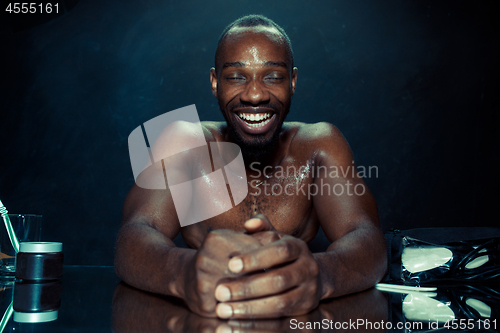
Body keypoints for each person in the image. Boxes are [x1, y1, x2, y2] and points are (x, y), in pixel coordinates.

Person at [114, 14, 387, 319]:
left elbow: (367, 239)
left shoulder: (319, 145)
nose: (255, 95)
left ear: (293, 82)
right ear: (215, 82)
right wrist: (184, 272)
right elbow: (134, 236)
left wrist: (320, 276)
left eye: (273, 76)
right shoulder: (185, 141)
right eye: (236, 77)